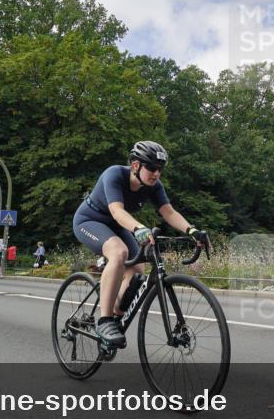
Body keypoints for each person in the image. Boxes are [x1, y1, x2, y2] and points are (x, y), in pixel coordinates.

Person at [72, 140, 208, 348]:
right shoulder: (114, 174)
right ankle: (105, 320)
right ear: (136, 165)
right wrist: (138, 228)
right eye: (152, 168)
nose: (156, 173)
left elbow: (168, 212)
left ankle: (116, 317)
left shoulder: (153, 186)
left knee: (137, 270)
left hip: (118, 226)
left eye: (160, 169)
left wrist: (192, 231)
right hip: (89, 221)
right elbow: (117, 211)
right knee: (119, 252)